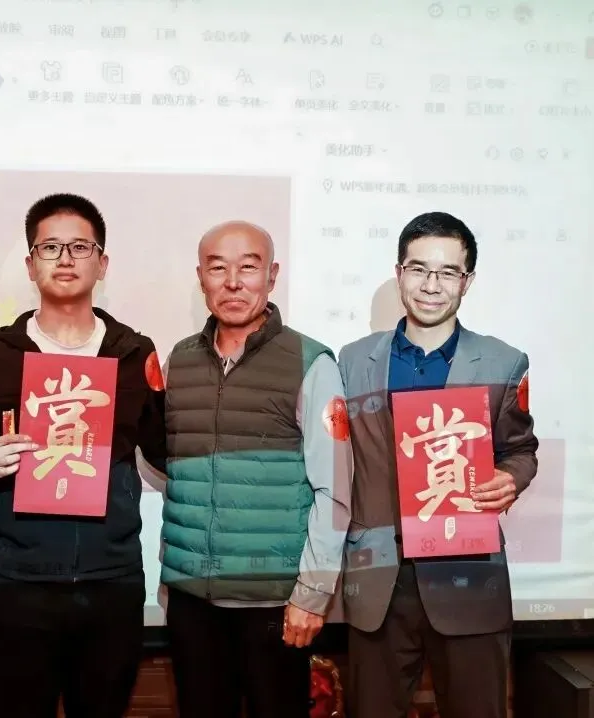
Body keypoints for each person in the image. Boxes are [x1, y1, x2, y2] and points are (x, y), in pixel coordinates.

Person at [0, 193, 166, 718]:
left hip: (112, 581)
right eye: (51, 247)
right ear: (30, 264)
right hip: (20, 582)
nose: (65, 259)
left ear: (102, 263)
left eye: (80, 247)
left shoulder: (136, 353)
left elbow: (163, 448)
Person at [338, 211, 538, 718]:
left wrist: (510, 478)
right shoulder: (352, 360)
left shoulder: (504, 362)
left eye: (448, 272)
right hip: (378, 577)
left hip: (468, 575)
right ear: (399, 272)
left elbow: (521, 450)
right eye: (419, 269)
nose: (432, 285)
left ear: (467, 281)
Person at [158, 220, 352, 718]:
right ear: (200, 277)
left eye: (248, 267)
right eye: (217, 268)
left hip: (274, 602)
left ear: (272, 275)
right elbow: (174, 470)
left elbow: (335, 491)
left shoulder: (311, 362)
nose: (233, 282)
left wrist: (312, 594)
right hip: (192, 599)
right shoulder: (179, 360)